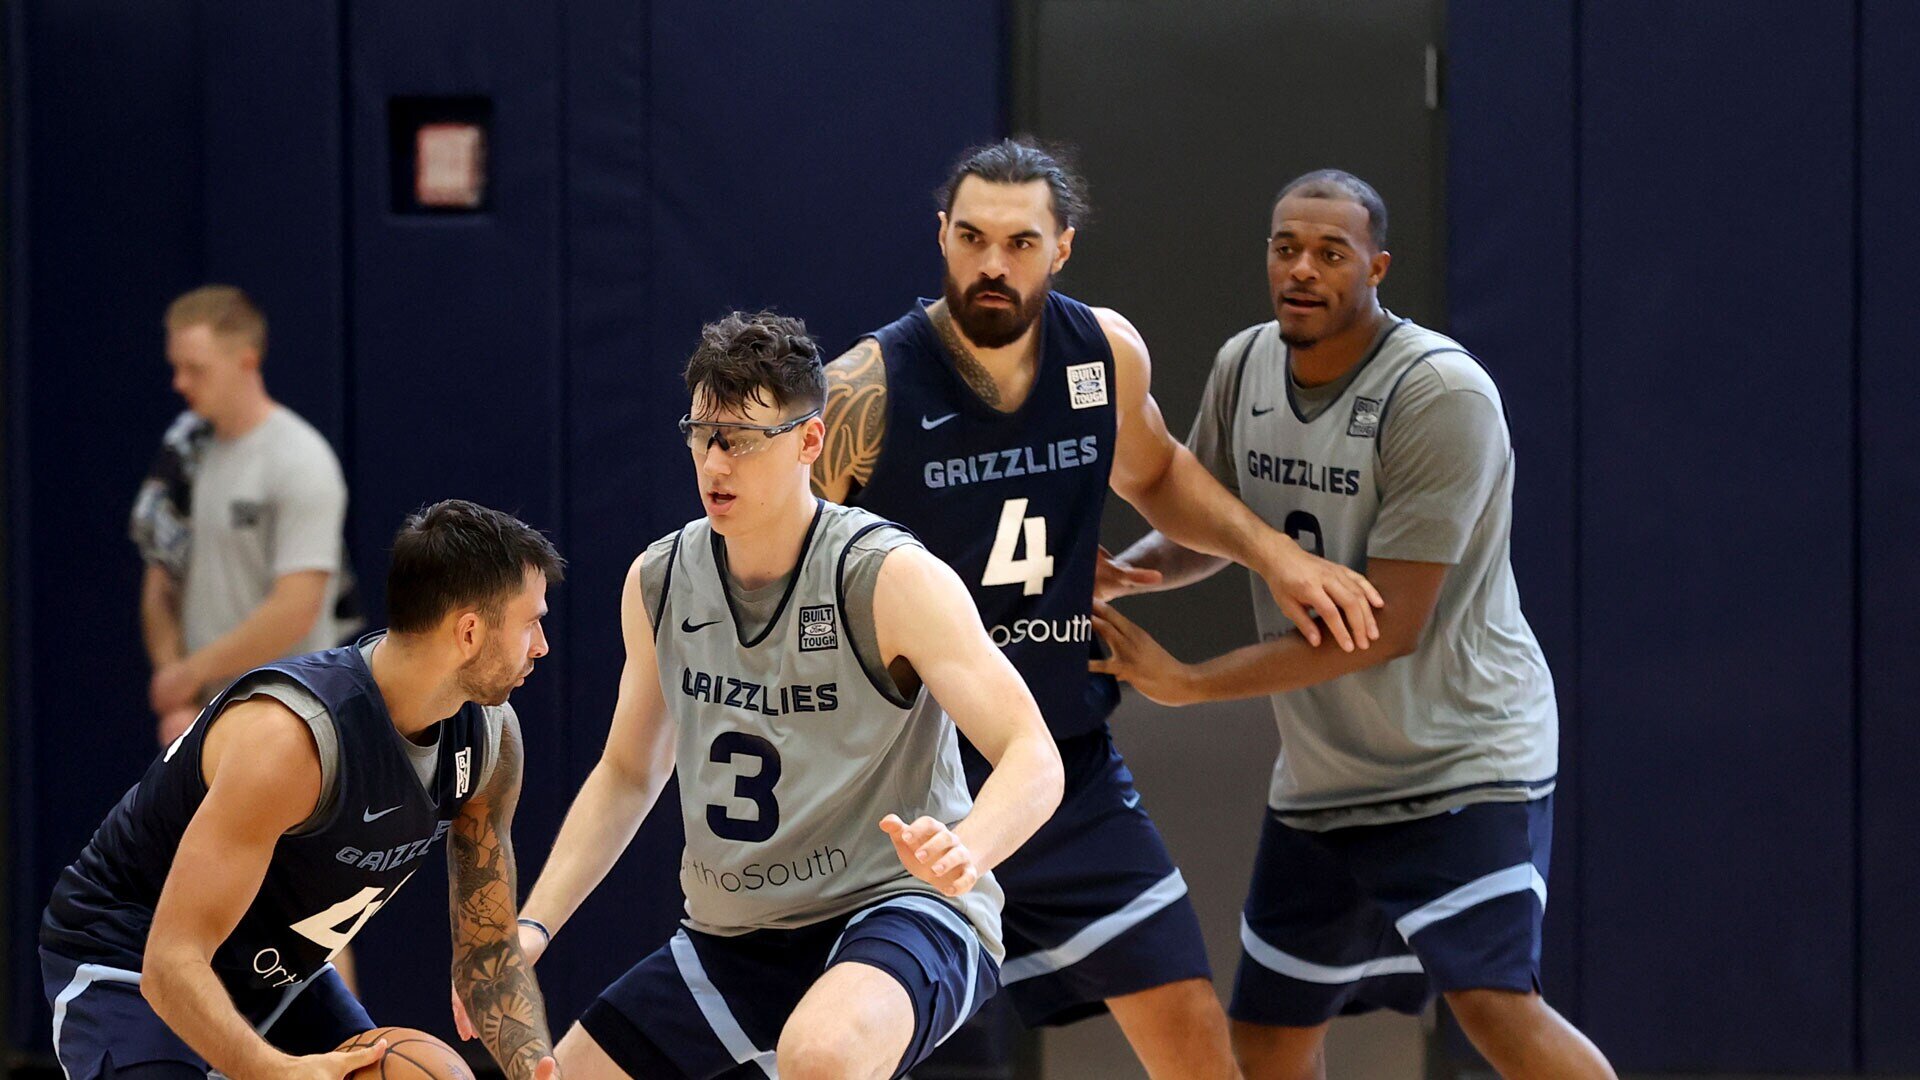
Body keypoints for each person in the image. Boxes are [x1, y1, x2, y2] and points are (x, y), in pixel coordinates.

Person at [810, 139, 1382, 1078]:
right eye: (972, 237)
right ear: (941, 239)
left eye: (1021, 242)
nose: (994, 264)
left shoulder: (1102, 352)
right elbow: (781, 568)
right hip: (914, 788)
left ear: (1061, 248)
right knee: (885, 1053)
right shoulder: (863, 390)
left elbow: (1157, 473)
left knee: (1199, 1042)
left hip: (1065, 766)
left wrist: (1277, 559)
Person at [1097, 170, 1615, 1079]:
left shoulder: (1441, 395)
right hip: (1327, 776)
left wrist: (1189, 684)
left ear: (1376, 267)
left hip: (1462, 759)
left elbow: (1389, 627)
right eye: (1285, 246)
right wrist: (1135, 573)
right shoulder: (1245, 363)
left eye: (1330, 253)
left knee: (1496, 1009)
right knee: (1267, 1039)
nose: (1302, 269)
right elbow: (1219, 526)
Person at [474, 312, 1063, 1080]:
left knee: (819, 1055)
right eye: (701, 434)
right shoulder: (659, 580)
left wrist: (968, 847)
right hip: (734, 934)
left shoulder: (888, 578)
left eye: (742, 439)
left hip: (899, 908)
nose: (716, 462)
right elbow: (628, 773)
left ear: (810, 443)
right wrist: (532, 927)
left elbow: (1034, 755)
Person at [43, 500, 565, 1080]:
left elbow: (487, 950)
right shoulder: (291, 742)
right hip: (133, 960)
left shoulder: (491, 740)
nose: (542, 644)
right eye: (530, 622)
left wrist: (531, 1064)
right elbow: (172, 961)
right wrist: (273, 1071)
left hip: (275, 971)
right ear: (469, 631)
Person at [131, 285, 361, 747]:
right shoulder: (185, 452)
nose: (179, 383)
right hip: (206, 717)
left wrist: (189, 672)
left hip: (291, 717)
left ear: (248, 361)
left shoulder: (300, 459)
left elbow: (296, 608)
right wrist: (179, 692)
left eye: (195, 369)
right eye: (176, 367)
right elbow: (160, 580)